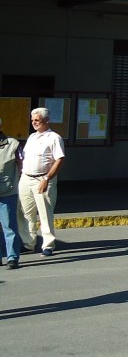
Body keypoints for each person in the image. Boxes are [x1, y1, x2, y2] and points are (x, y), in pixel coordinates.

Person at [19, 107, 64, 257]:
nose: (34, 123)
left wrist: (47, 178)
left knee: (45, 213)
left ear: (46, 120)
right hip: (26, 178)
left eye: (37, 120)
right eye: (32, 120)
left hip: (43, 178)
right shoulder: (32, 137)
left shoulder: (54, 137)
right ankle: (29, 242)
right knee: (25, 212)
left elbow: (59, 159)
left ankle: (48, 245)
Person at [0, 122, 24, 268]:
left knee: (9, 225)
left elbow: (22, 164)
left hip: (7, 191)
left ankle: (12, 257)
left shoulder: (13, 144)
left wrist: (17, 182)